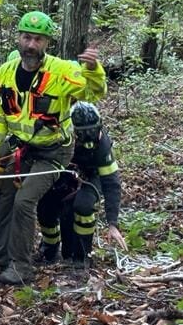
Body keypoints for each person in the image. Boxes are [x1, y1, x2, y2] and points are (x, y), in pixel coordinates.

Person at [0, 11, 106, 284]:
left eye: (38, 40)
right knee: (6, 196)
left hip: (54, 152)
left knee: (24, 200)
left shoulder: (62, 71)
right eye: (27, 37)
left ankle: (22, 266)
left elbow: (92, 93)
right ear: (18, 38)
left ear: (47, 43)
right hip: (23, 150)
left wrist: (93, 70)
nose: (31, 45)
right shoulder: (4, 74)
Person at [37, 101, 125, 267]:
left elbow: (111, 183)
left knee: (83, 206)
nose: (88, 140)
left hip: (91, 176)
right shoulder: (59, 138)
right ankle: (50, 248)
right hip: (63, 174)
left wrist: (112, 223)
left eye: (92, 132)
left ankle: (82, 256)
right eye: (82, 134)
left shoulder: (102, 146)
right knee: (45, 206)